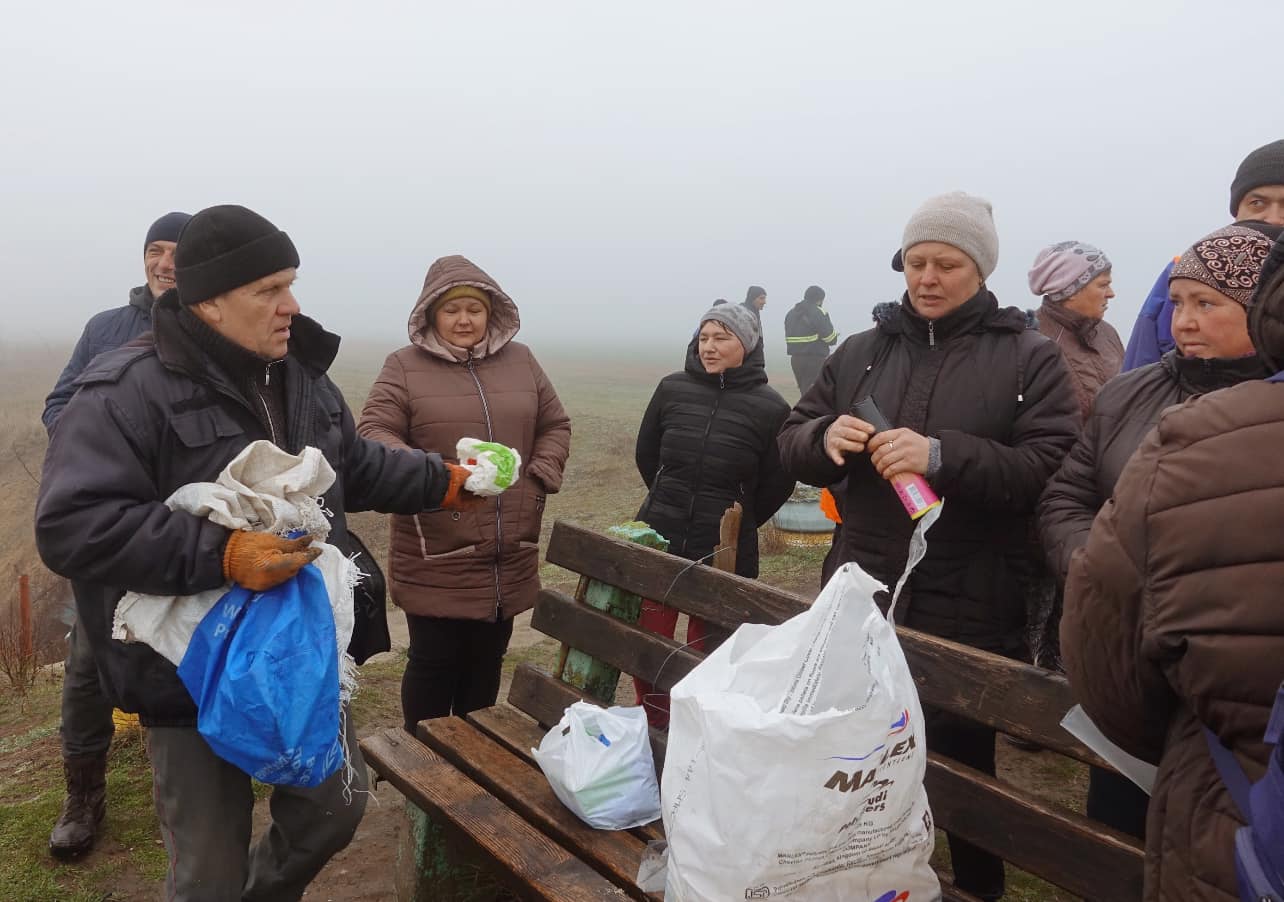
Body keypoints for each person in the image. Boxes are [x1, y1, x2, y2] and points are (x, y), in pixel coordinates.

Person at [35, 205, 478, 901]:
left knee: (334, 810)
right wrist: (224, 553)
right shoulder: (125, 391)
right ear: (208, 300)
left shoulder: (301, 375)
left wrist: (442, 480)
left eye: (291, 284)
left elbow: (351, 465)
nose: (290, 305)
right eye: (268, 290)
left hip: (298, 649)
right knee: (206, 875)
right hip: (187, 672)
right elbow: (72, 524)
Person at [778, 192, 1078, 901]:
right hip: (861, 584)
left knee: (961, 767)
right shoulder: (862, 350)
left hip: (971, 593)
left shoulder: (1028, 358)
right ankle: (854, 879)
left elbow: (1052, 465)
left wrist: (942, 455)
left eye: (947, 263)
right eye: (916, 262)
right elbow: (793, 434)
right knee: (850, 752)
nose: (928, 277)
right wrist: (824, 441)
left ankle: (979, 887)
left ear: (980, 269)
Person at [1061, 226, 1284, 902]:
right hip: (1140, 677)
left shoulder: (1242, 419)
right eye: (1176, 303)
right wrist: (1099, 560)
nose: (1184, 321)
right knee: (1122, 839)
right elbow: (1066, 489)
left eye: (1207, 304)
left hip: (1209, 729)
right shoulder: (1131, 394)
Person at [357, 255, 571, 732]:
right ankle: (425, 770)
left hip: (509, 544)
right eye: (451, 310)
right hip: (438, 543)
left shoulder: (523, 360)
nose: (463, 319)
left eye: (474, 308)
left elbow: (555, 423)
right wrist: (438, 476)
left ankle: (475, 762)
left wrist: (537, 475)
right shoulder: (404, 367)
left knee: (486, 663)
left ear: (490, 312)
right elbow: (375, 432)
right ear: (431, 314)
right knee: (434, 663)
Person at [40, 210, 190, 861]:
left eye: (178, 253)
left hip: (184, 532)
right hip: (109, 530)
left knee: (192, 653)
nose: (163, 262)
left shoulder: (213, 330)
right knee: (88, 667)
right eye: (155, 250)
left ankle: (198, 791)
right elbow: (57, 404)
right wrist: (101, 459)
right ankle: (83, 797)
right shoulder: (107, 328)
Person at [632, 303, 794, 728]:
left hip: (724, 546)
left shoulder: (771, 408)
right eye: (703, 337)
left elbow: (778, 482)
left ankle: (696, 729)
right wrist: (671, 497)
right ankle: (656, 724)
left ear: (748, 345)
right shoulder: (671, 389)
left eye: (721, 338)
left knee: (709, 649)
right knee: (649, 640)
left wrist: (739, 520)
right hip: (660, 532)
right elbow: (647, 455)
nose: (709, 347)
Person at [1122, 138, 1284, 370]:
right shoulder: (1185, 276)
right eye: (1258, 203)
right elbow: (1139, 376)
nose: (1274, 218)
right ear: (1236, 210)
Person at [1027, 241, 1123, 420]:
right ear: (1070, 290)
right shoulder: (1031, 341)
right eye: (1103, 285)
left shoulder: (1108, 334)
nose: (1111, 293)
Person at [784, 284, 839, 394]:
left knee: (805, 392)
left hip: (796, 359)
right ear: (819, 299)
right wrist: (834, 336)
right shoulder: (818, 312)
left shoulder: (790, 313)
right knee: (814, 394)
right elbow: (831, 339)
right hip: (815, 359)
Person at [741, 284, 768, 367]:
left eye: (764, 298)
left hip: (755, 357)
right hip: (748, 361)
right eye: (761, 298)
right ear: (752, 299)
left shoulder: (754, 312)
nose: (764, 302)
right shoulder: (744, 313)